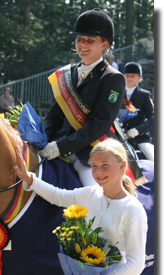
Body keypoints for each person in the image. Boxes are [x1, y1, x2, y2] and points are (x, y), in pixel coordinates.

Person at [14, 138, 147, 275]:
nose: (98, 171)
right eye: (93, 166)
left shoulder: (133, 209)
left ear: (122, 166)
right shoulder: (90, 193)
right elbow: (57, 195)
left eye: (105, 165)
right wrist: (30, 178)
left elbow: (136, 264)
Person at [39, 8, 125, 186]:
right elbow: (54, 117)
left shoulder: (113, 78)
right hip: (57, 147)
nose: (82, 45)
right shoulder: (66, 74)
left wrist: (60, 147)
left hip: (90, 153)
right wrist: (45, 142)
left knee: (94, 198)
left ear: (104, 44)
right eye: (79, 39)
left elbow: (100, 123)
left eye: (90, 41)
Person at [122, 62, 154, 160]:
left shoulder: (145, 95)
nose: (129, 78)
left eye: (133, 76)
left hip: (139, 138)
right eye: (127, 75)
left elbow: (152, 117)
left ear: (139, 78)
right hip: (119, 136)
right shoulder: (117, 93)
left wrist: (137, 130)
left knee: (153, 157)